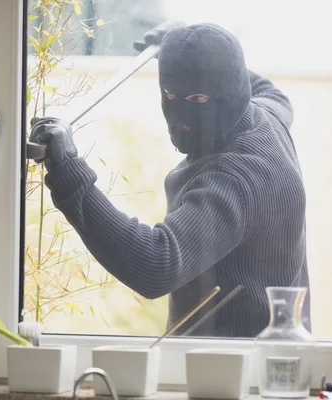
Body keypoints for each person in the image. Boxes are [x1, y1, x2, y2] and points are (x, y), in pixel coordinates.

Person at [30, 22, 311, 338]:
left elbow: (157, 264)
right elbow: (271, 93)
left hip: (237, 374)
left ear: (230, 95)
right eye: (169, 94)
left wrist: (68, 171)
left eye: (197, 98)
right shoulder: (267, 117)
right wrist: (187, 53)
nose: (178, 116)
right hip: (221, 366)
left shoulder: (240, 175)